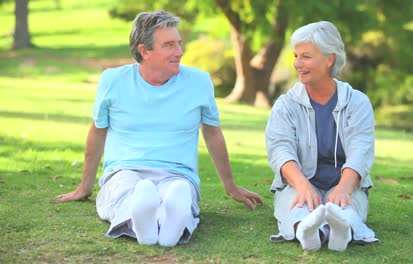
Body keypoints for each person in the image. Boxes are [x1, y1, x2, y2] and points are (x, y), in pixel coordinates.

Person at [54, 10, 263, 247]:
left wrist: (230, 186)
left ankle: (156, 224)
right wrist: (85, 186)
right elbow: (98, 131)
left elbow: (213, 133)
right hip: (125, 171)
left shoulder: (199, 82)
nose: (180, 51)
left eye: (179, 44)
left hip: (178, 174)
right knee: (125, 192)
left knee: (179, 192)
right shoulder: (113, 81)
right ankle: (156, 224)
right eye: (169, 45)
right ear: (144, 51)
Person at [265, 21, 379, 252]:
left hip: (345, 183)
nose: (298, 63)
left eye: (306, 56)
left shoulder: (357, 102)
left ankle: (337, 231)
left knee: (343, 208)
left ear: (330, 59)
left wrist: (344, 188)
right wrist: (302, 185)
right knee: (299, 208)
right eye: (296, 55)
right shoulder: (285, 104)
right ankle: (309, 232)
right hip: (299, 182)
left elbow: (361, 150)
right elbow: (280, 150)